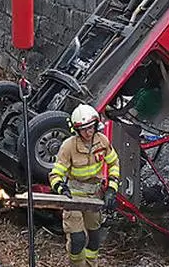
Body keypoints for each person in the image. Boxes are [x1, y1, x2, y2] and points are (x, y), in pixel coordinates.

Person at [49, 104, 121, 267]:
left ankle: (91, 264)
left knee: (94, 238)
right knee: (78, 239)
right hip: (73, 196)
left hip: (94, 196)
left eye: (91, 128)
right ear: (76, 130)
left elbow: (114, 163)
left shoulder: (102, 141)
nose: (88, 133)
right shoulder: (68, 146)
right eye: (84, 129)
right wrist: (60, 187)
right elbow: (55, 173)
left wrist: (112, 188)